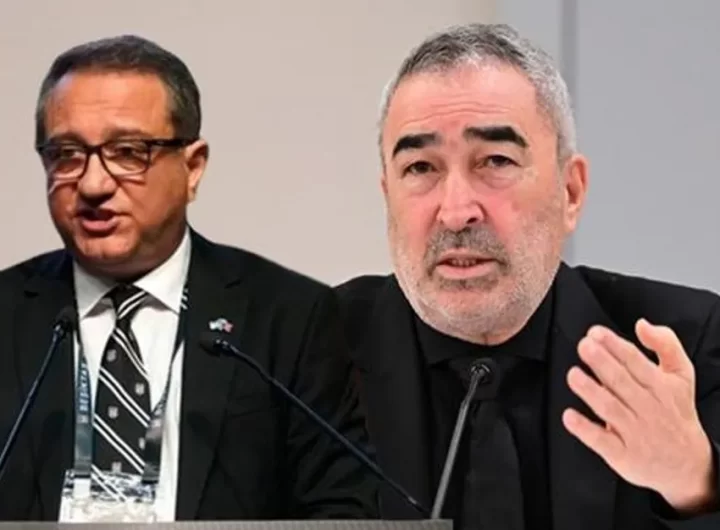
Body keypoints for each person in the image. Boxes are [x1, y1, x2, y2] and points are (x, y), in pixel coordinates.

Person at [336, 23, 720, 530]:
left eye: (495, 160)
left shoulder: (686, 347)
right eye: (421, 168)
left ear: (570, 192)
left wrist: (695, 483)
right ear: (388, 195)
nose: (456, 211)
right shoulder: (305, 355)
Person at [0, 35, 377, 522]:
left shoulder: (289, 319)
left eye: (128, 152)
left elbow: (342, 511)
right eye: (67, 154)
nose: (93, 184)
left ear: (192, 167)